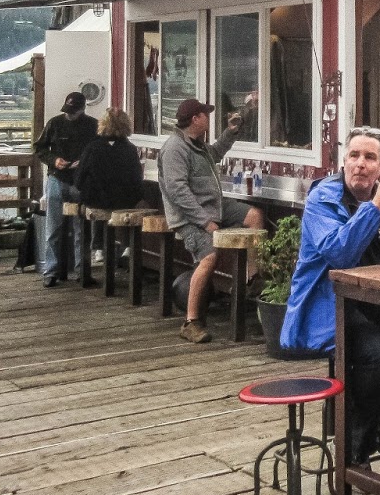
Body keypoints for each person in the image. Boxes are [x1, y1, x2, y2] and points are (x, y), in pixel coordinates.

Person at [281, 128, 380, 464]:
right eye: (354, 156)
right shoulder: (322, 200)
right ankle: (354, 446)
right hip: (330, 303)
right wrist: (374, 206)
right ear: (343, 163)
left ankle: (369, 425)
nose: (360, 163)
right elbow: (339, 254)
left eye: (370, 157)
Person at [159, 98, 249, 343]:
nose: (208, 118)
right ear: (195, 119)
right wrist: (205, 222)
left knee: (255, 216)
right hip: (188, 217)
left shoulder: (197, 144)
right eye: (205, 115)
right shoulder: (175, 148)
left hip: (213, 207)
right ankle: (191, 322)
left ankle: (250, 279)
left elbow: (216, 152)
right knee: (209, 256)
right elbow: (177, 191)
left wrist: (231, 132)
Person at [33, 91, 100, 288]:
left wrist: (84, 162)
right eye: (67, 111)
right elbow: (39, 148)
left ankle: (82, 271)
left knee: (82, 229)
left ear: (83, 109)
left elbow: (98, 151)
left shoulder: (93, 125)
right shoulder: (54, 123)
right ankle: (50, 271)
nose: (69, 114)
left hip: (80, 180)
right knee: (53, 228)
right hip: (57, 177)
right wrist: (54, 160)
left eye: (73, 111)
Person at [76, 108, 148, 267]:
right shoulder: (130, 149)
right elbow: (137, 178)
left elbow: (79, 179)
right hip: (123, 201)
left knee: (98, 204)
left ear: (103, 124)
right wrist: (138, 196)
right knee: (132, 204)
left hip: (97, 200)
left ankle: (98, 247)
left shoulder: (92, 148)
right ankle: (128, 245)